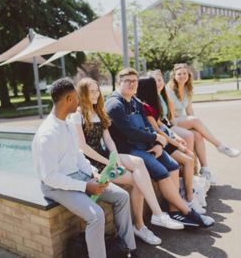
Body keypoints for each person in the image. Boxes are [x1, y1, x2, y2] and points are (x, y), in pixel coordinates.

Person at [32, 78, 137, 258]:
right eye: (76, 97)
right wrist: (86, 186)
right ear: (68, 100)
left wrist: (93, 173)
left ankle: (127, 248)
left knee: (122, 197)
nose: (80, 100)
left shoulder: (68, 123)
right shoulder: (47, 135)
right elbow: (50, 177)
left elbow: (78, 155)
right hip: (55, 186)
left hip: (79, 176)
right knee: (96, 216)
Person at [71, 77, 183, 245]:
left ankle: (158, 215)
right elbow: (83, 147)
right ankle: (141, 225)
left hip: (105, 156)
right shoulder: (77, 115)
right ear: (83, 93)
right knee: (138, 181)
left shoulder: (98, 112)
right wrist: (108, 161)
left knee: (138, 162)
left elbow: (108, 140)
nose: (96, 94)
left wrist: (115, 158)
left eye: (97, 91)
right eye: (91, 91)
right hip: (89, 163)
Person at [105, 68, 215, 228]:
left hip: (146, 145)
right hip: (128, 149)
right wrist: (156, 138)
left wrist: (157, 143)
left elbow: (146, 126)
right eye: (127, 81)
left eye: (134, 81)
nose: (131, 84)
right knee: (162, 172)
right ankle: (188, 212)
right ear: (118, 83)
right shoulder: (115, 105)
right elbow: (131, 132)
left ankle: (174, 210)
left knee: (173, 165)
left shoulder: (135, 101)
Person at [136, 76, 206, 214]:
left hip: (166, 136)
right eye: (154, 84)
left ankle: (188, 194)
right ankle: (189, 198)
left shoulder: (151, 102)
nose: (158, 85)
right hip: (160, 140)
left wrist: (177, 136)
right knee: (188, 159)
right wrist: (176, 144)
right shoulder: (144, 106)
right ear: (148, 88)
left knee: (190, 157)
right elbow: (156, 129)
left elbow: (161, 123)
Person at [167, 63, 240, 183]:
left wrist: (193, 125)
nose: (182, 76)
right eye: (179, 74)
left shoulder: (187, 89)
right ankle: (220, 146)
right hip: (171, 122)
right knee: (194, 120)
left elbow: (189, 111)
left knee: (198, 135)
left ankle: (205, 170)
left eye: (184, 73)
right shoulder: (169, 90)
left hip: (183, 121)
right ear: (174, 76)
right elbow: (170, 114)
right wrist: (191, 121)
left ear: (188, 75)